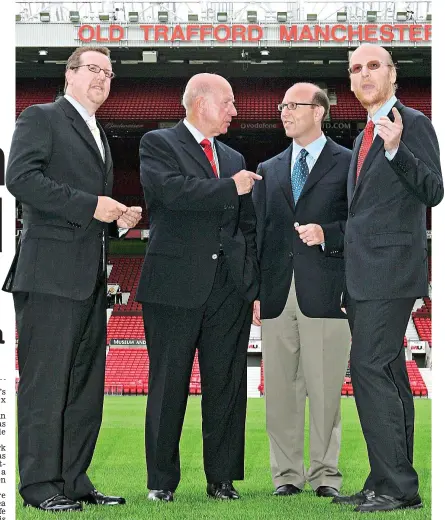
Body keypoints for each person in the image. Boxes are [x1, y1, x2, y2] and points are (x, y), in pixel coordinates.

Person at [3, 46, 142, 512]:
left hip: (87, 278)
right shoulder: (39, 117)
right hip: (48, 276)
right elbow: (20, 178)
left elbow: (83, 201)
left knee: (83, 387)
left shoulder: (97, 130)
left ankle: (74, 480)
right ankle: (40, 485)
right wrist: (90, 206)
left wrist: (114, 216)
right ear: (69, 75)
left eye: (109, 73)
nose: (102, 78)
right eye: (93, 70)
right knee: (46, 385)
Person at [137, 73, 261, 502]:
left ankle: (222, 480)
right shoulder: (159, 145)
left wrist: (251, 284)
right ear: (200, 102)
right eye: (227, 102)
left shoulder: (233, 155)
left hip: (229, 289)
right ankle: (161, 482)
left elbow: (246, 225)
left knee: (227, 385)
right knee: (168, 384)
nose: (234, 111)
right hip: (174, 286)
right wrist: (229, 187)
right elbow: (169, 193)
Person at [332, 44, 442, 512]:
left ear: (393, 75)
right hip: (363, 276)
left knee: (369, 368)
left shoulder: (412, 123)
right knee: (390, 373)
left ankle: (398, 486)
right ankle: (385, 480)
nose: (363, 74)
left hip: (392, 273)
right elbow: (361, 214)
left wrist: (397, 150)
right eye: (356, 69)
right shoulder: (361, 137)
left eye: (373, 65)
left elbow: (434, 189)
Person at [252, 83, 351, 499]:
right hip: (276, 293)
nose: (284, 112)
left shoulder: (349, 164)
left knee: (326, 389)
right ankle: (286, 476)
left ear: (319, 112)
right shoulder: (269, 167)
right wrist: (255, 290)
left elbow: (360, 225)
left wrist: (326, 234)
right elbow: (259, 233)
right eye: (282, 106)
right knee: (280, 391)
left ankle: (326, 475)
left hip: (327, 292)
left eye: (294, 106)